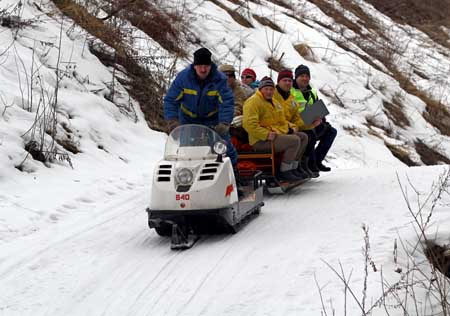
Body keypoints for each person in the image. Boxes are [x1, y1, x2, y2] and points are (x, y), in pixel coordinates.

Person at [163, 47, 237, 166]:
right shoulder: (183, 78)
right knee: (186, 149)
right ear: (194, 66)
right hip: (188, 119)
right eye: (200, 66)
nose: (203, 69)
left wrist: (224, 123)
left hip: (212, 119)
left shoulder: (220, 80)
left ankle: (234, 172)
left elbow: (227, 102)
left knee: (224, 146)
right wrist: (172, 120)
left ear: (210, 66)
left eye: (206, 66)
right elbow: (171, 100)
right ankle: (186, 173)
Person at [242, 76, 308, 181]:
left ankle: (294, 168)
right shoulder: (253, 102)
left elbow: (282, 121)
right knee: (294, 140)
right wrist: (266, 134)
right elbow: (249, 124)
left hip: (275, 135)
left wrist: (292, 127)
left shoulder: (275, 102)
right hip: (260, 140)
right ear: (260, 89)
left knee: (303, 137)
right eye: (266, 89)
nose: (269, 92)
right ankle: (284, 171)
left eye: (271, 89)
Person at [273, 69, 319, 178]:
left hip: (289, 128)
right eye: (285, 80)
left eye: (289, 81)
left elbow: (297, 118)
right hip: (276, 130)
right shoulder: (273, 96)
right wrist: (289, 128)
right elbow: (276, 118)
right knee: (297, 139)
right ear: (279, 81)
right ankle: (285, 171)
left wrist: (311, 123)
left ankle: (295, 167)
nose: (288, 83)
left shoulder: (290, 98)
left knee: (306, 136)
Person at [291, 64, 337, 172]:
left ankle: (317, 160)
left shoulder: (312, 92)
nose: (305, 78)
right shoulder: (291, 91)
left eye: (307, 76)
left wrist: (322, 119)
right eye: (302, 76)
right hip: (299, 124)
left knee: (331, 131)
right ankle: (309, 163)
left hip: (312, 121)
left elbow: (317, 108)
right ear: (296, 77)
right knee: (311, 133)